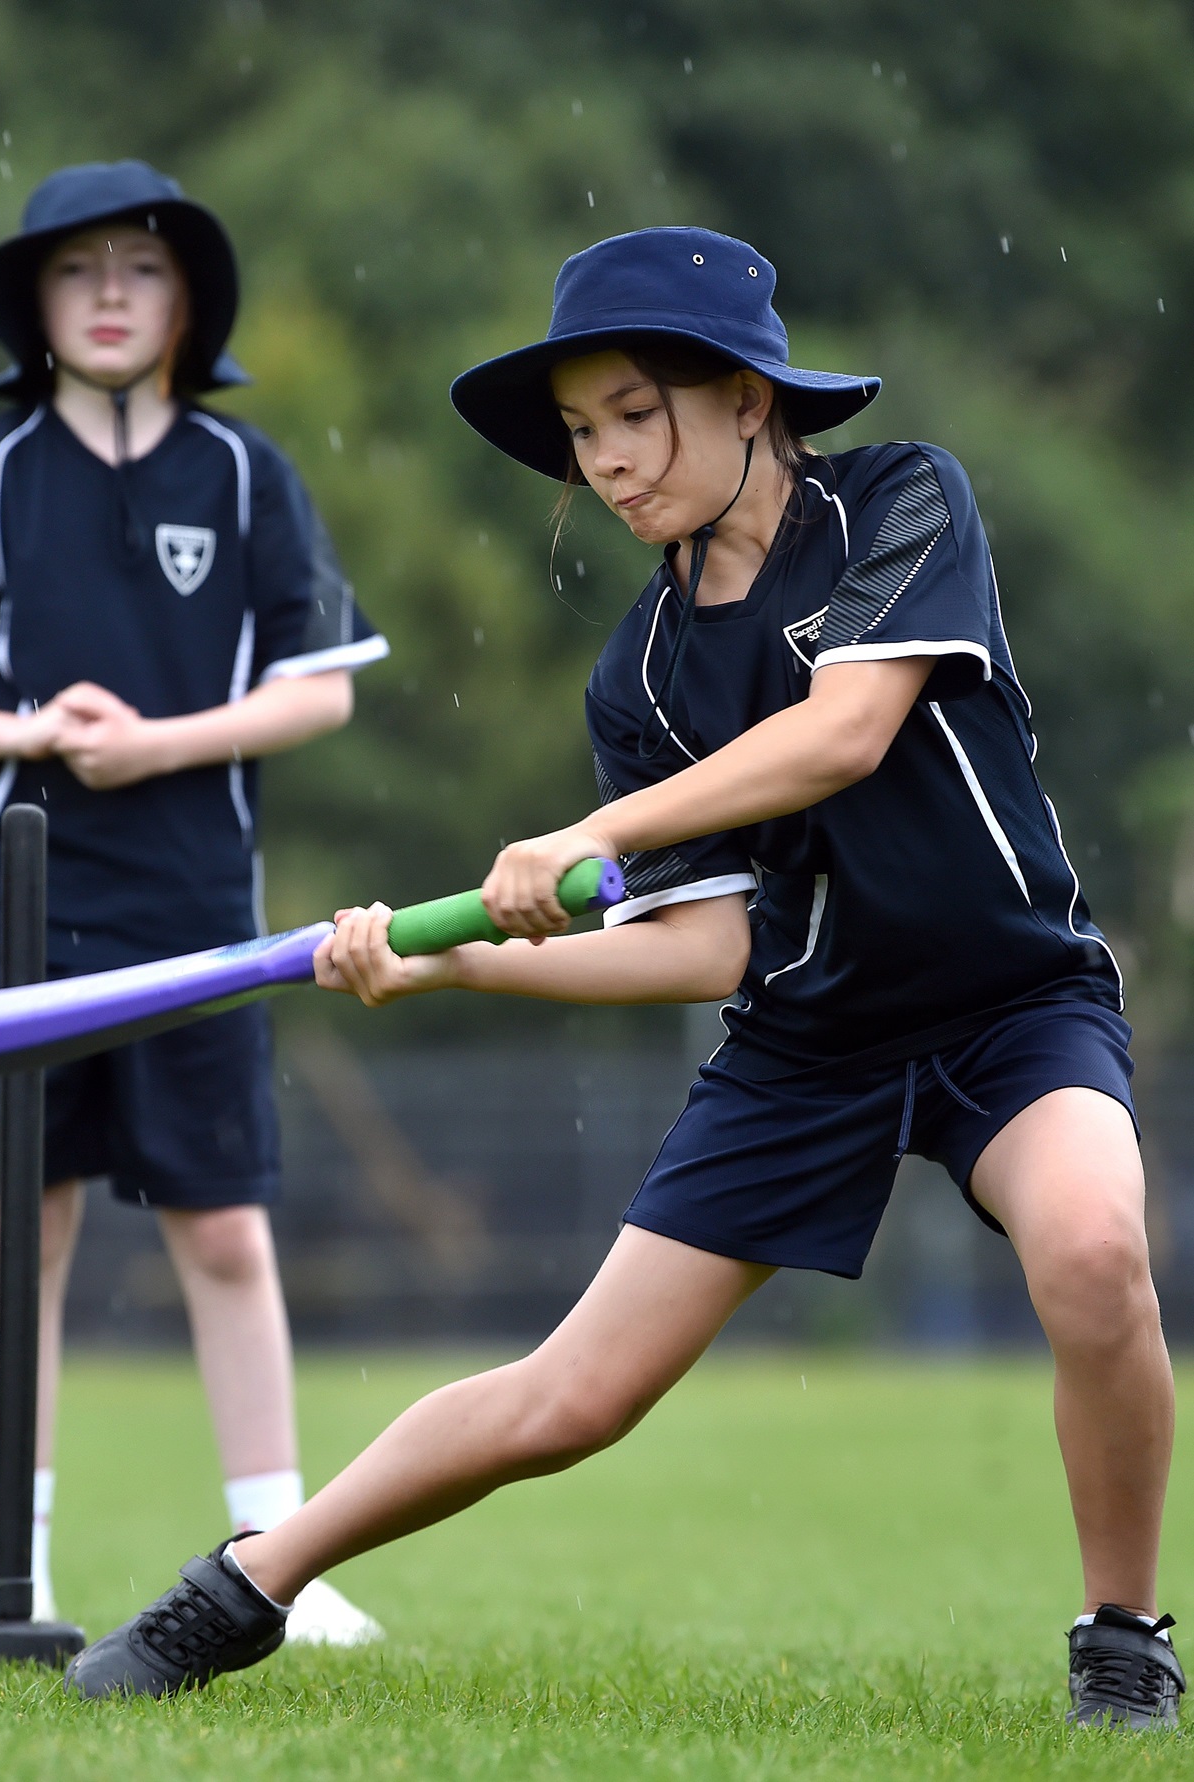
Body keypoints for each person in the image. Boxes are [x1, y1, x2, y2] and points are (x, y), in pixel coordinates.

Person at [63, 226, 1182, 1727]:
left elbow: (843, 732)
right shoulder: (639, 673)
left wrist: (588, 830)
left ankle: (1120, 1635)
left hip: (1012, 1003)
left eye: (635, 414)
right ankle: (246, 1583)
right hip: (806, 1039)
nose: (605, 460)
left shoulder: (900, 503)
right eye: (583, 433)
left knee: (1095, 1254)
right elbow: (705, 947)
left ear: (745, 399)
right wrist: (449, 965)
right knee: (573, 1396)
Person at [0, 160, 389, 1645]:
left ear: (183, 303)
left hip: (201, 899)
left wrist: (159, 741)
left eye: (137, 270)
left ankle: (282, 1556)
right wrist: (23, 730)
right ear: (34, 300)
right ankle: (1, 1569)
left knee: (223, 1229)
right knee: (16, 1229)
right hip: (9, 907)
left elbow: (319, 691)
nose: (105, 295)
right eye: (75, 269)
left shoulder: (244, 473)